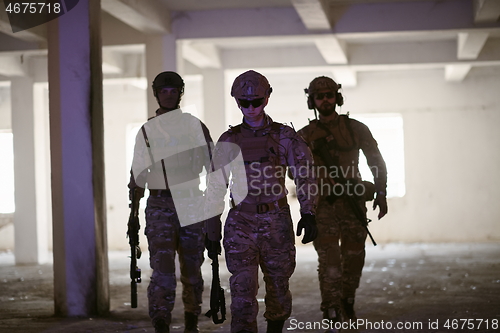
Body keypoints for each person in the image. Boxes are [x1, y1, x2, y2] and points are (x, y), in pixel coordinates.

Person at [204, 70, 318, 333]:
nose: (251, 108)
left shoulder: (284, 137)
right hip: (241, 223)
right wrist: (210, 225)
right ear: (237, 102)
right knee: (242, 295)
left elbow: (306, 174)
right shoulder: (229, 140)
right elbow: (215, 186)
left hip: (276, 221)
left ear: (267, 98)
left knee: (278, 289)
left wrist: (309, 211)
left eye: (256, 101)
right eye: (245, 103)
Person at [297, 76, 388, 330]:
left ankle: (347, 299)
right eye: (319, 96)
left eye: (329, 95)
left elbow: (376, 161)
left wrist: (381, 193)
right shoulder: (304, 135)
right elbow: (295, 171)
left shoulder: (356, 128)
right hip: (323, 206)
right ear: (312, 101)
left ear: (336, 97)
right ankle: (331, 308)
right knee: (330, 262)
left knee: (354, 257)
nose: (325, 100)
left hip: (353, 204)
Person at [128, 71, 214, 333]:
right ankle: (161, 322)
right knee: (162, 271)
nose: (168, 94)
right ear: (156, 94)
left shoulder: (195, 126)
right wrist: (133, 214)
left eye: (173, 90)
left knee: (192, 270)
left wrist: (214, 211)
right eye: (163, 91)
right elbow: (138, 174)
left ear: (180, 93)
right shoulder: (147, 131)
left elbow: (214, 169)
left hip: (191, 202)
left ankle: (191, 321)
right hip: (160, 205)